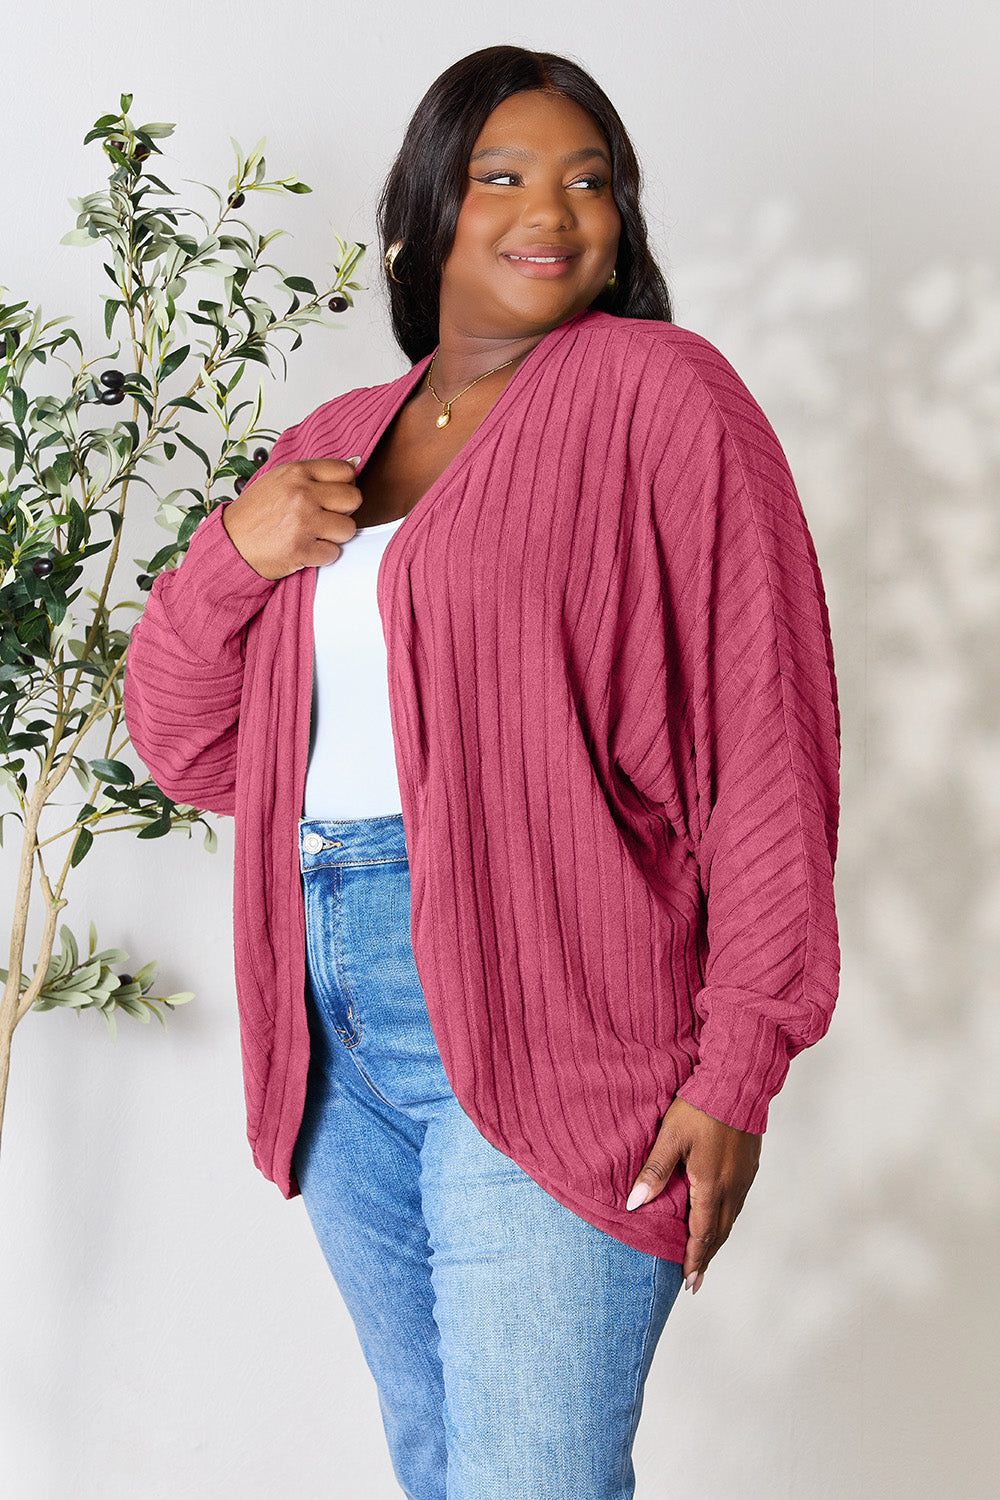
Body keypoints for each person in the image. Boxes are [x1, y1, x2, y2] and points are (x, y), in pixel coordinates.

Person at [123, 43, 840, 1500]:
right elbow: (193, 746)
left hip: (558, 992)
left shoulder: (661, 394)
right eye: (502, 176)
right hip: (331, 1036)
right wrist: (232, 556)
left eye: (591, 182)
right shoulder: (328, 449)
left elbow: (768, 731)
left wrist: (741, 1057)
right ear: (425, 215)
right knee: (447, 1466)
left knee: (532, 1479)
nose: (552, 213)